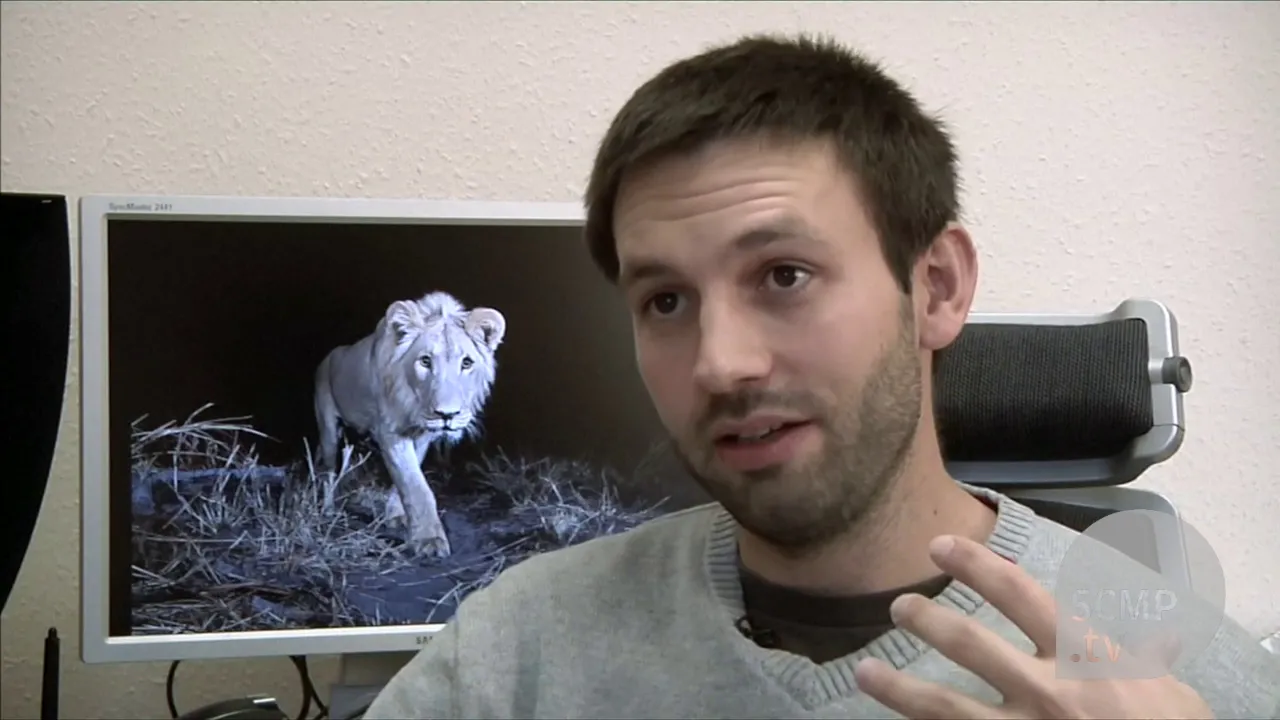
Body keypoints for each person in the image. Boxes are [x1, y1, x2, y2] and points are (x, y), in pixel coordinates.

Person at [364, 33, 1280, 719]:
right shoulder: (515, 655)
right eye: (666, 301)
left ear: (936, 287)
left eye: (784, 276)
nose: (720, 363)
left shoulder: (1169, 672)